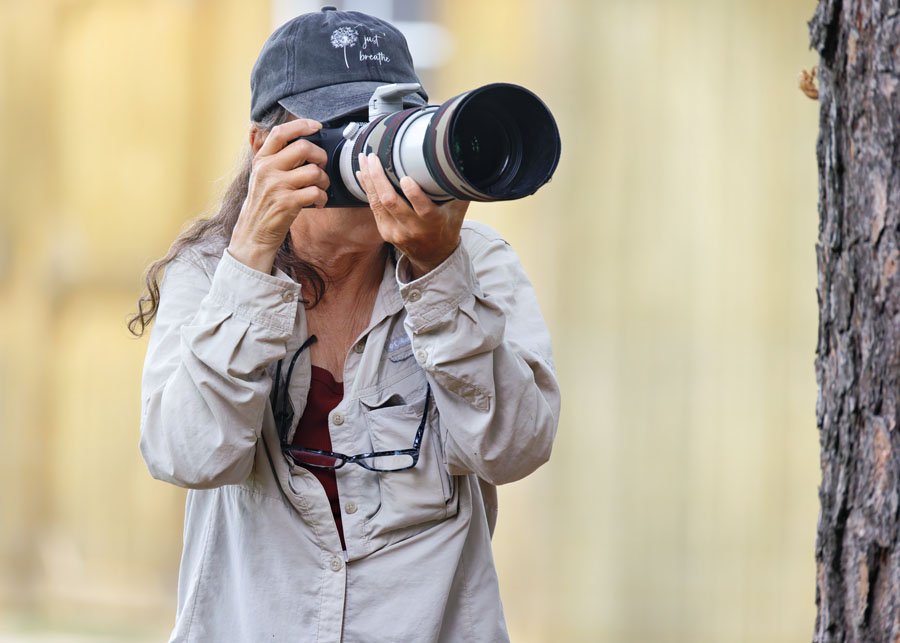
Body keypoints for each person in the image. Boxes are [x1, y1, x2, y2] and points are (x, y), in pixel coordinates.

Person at [130, 7, 559, 642]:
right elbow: (187, 453)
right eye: (340, 129)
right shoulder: (211, 270)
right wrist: (250, 260)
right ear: (263, 148)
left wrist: (438, 274)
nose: (367, 159)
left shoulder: (475, 260)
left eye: (385, 127)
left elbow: (514, 448)